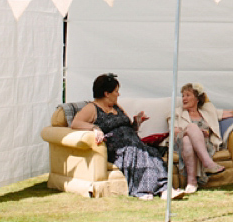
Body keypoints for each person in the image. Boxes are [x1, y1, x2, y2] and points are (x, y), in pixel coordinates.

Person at [70, 73, 178, 201]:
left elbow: (130, 128)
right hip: (117, 147)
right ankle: (148, 190)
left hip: (132, 141)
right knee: (137, 152)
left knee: (152, 153)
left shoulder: (116, 107)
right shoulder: (92, 108)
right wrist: (95, 128)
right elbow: (75, 123)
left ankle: (165, 190)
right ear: (106, 93)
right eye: (116, 91)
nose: (118, 94)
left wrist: (137, 122)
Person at [173, 82, 233, 194]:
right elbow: (174, 131)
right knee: (189, 133)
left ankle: (191, 182)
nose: (184, 98)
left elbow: (230, 113)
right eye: (183, 95)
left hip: (204, 144)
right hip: (180, 144)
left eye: (188, 95)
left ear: (197, 98)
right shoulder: (177, 112)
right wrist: (193, 131)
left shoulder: (208, 112)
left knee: (188, 140)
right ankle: (208, 163)